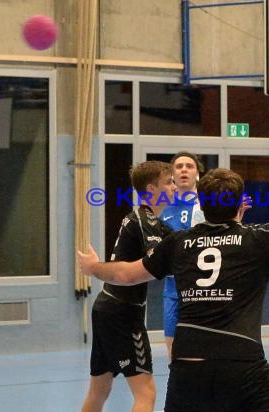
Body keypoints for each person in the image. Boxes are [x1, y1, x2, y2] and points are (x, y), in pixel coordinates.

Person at [78, 160, 269, 412]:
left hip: (187, 366)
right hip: (242, 364)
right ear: (238, 203)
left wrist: (93, 268)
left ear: (201, 203)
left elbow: (126, 275)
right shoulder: (259, 238)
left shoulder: (177, 243)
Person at [81, 161, 175, 412]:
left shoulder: (153, 222)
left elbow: (178, 244)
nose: (175, 187)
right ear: (151, 189)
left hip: (106, 307)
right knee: (146, 393)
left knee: (99, 389)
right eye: (169, 182)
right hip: (123, 313)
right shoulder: (146, 222)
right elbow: (158, 261)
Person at [159, 152, 204, 361]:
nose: (184, 170)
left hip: (200, 289)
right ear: (172, 175)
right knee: (174, 353)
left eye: (189, 166)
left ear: (197, 173)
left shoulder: (207, 205)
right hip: (172, 291)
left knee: (201, 351)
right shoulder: (162, 207)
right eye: (179, 167)